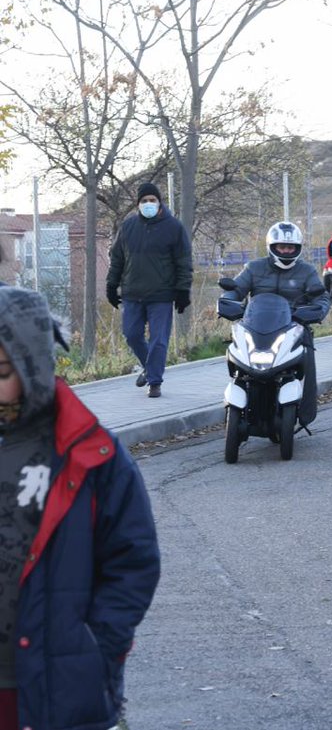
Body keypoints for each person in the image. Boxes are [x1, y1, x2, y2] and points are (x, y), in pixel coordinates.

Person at [0, 286, 160, 730]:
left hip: (60, 682)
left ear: (33, 364)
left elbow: (134, 559)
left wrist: (97, 644)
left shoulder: (91, 454)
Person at [226, 222, 330, 427]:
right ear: (272, 247)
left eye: (290, 247)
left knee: (307, 357)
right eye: (282, 247)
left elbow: (322, 297)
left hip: (293, 328)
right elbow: (235, 289)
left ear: (297, 248)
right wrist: (227, 301)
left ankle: (305, 412)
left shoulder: (307, 272)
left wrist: (316, 310)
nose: (286, 251)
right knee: (236, 356)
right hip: (256, 328)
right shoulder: (254, 268)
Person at [106, 182, 193, 399]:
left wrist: (183, 291)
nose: (148, 204)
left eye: (152, 200)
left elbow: (183, 262)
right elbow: (117, 258)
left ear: (159, 202)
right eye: (144, 201)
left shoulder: (174, 227)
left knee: (159, 340)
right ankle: (149, 367)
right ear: (138, 204)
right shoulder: (128, 227)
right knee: (131, 334)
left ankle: (154, 382)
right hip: (132, 293)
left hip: (162, 295)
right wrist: (111, 285)